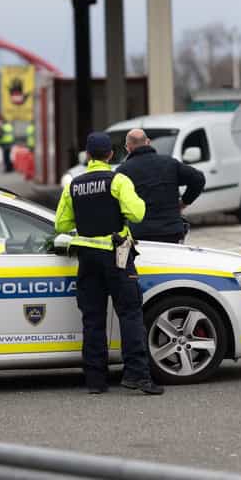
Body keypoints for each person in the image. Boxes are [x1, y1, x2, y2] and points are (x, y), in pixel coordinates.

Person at [54, 132, 163, 395]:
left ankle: (95, 381)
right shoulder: (118, 180)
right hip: (117, 256)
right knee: (130, 314)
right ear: (111, 155)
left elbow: (61, 224)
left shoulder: (74, 185)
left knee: (92, 319)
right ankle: (137, 375)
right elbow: (137, 212)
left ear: (88, 156)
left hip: (88, 259)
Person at [116, 128, 205, 243]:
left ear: (128, 147)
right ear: (148, 142)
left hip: (141, 234)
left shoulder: (122, 171)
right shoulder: (170, 163)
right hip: (172, 232)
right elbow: (198, 179)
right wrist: (184, 202)